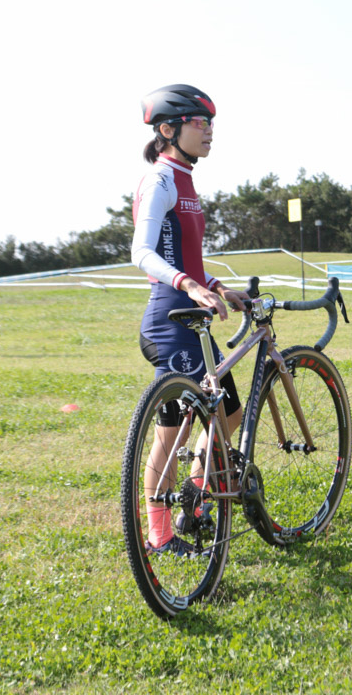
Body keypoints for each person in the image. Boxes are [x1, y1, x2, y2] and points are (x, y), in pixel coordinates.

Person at [132, 84, 249, 557]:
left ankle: (197, 494)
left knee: (230, 411)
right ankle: (159, 532)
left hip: (191, 317)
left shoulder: (185, 179)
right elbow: (142, 253)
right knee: (171, 428)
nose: (210, 131)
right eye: (200, 123)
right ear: (167, 130)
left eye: (211, 123)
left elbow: (184, 254)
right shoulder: (159, 180)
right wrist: (187, 285)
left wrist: (216, 286)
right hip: (168, 319)